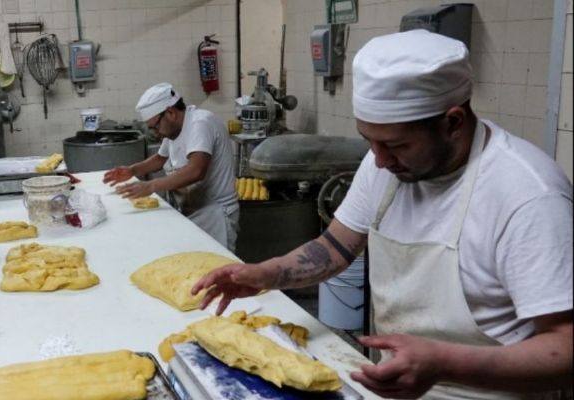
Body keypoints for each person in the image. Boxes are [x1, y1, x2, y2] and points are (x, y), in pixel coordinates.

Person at [191, 30, 572, 398]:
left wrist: (444, 364)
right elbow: (336, 247)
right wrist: (266, 274)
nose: (379, 160)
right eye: (369, 141)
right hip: (396, 385)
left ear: (453, 122)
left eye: (396, 145)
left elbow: (565, 347)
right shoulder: (385, 167)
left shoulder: (529, 198)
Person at [103, 83, 240, 250]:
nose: (156, 133)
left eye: (155, 126)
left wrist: (151, 186)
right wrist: (132, 170)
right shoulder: (174, 131)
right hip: (193, 208)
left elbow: (196, 170)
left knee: (217, 263)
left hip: (215, 214)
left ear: (170, 113)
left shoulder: (200, 123)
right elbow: (160, 159)